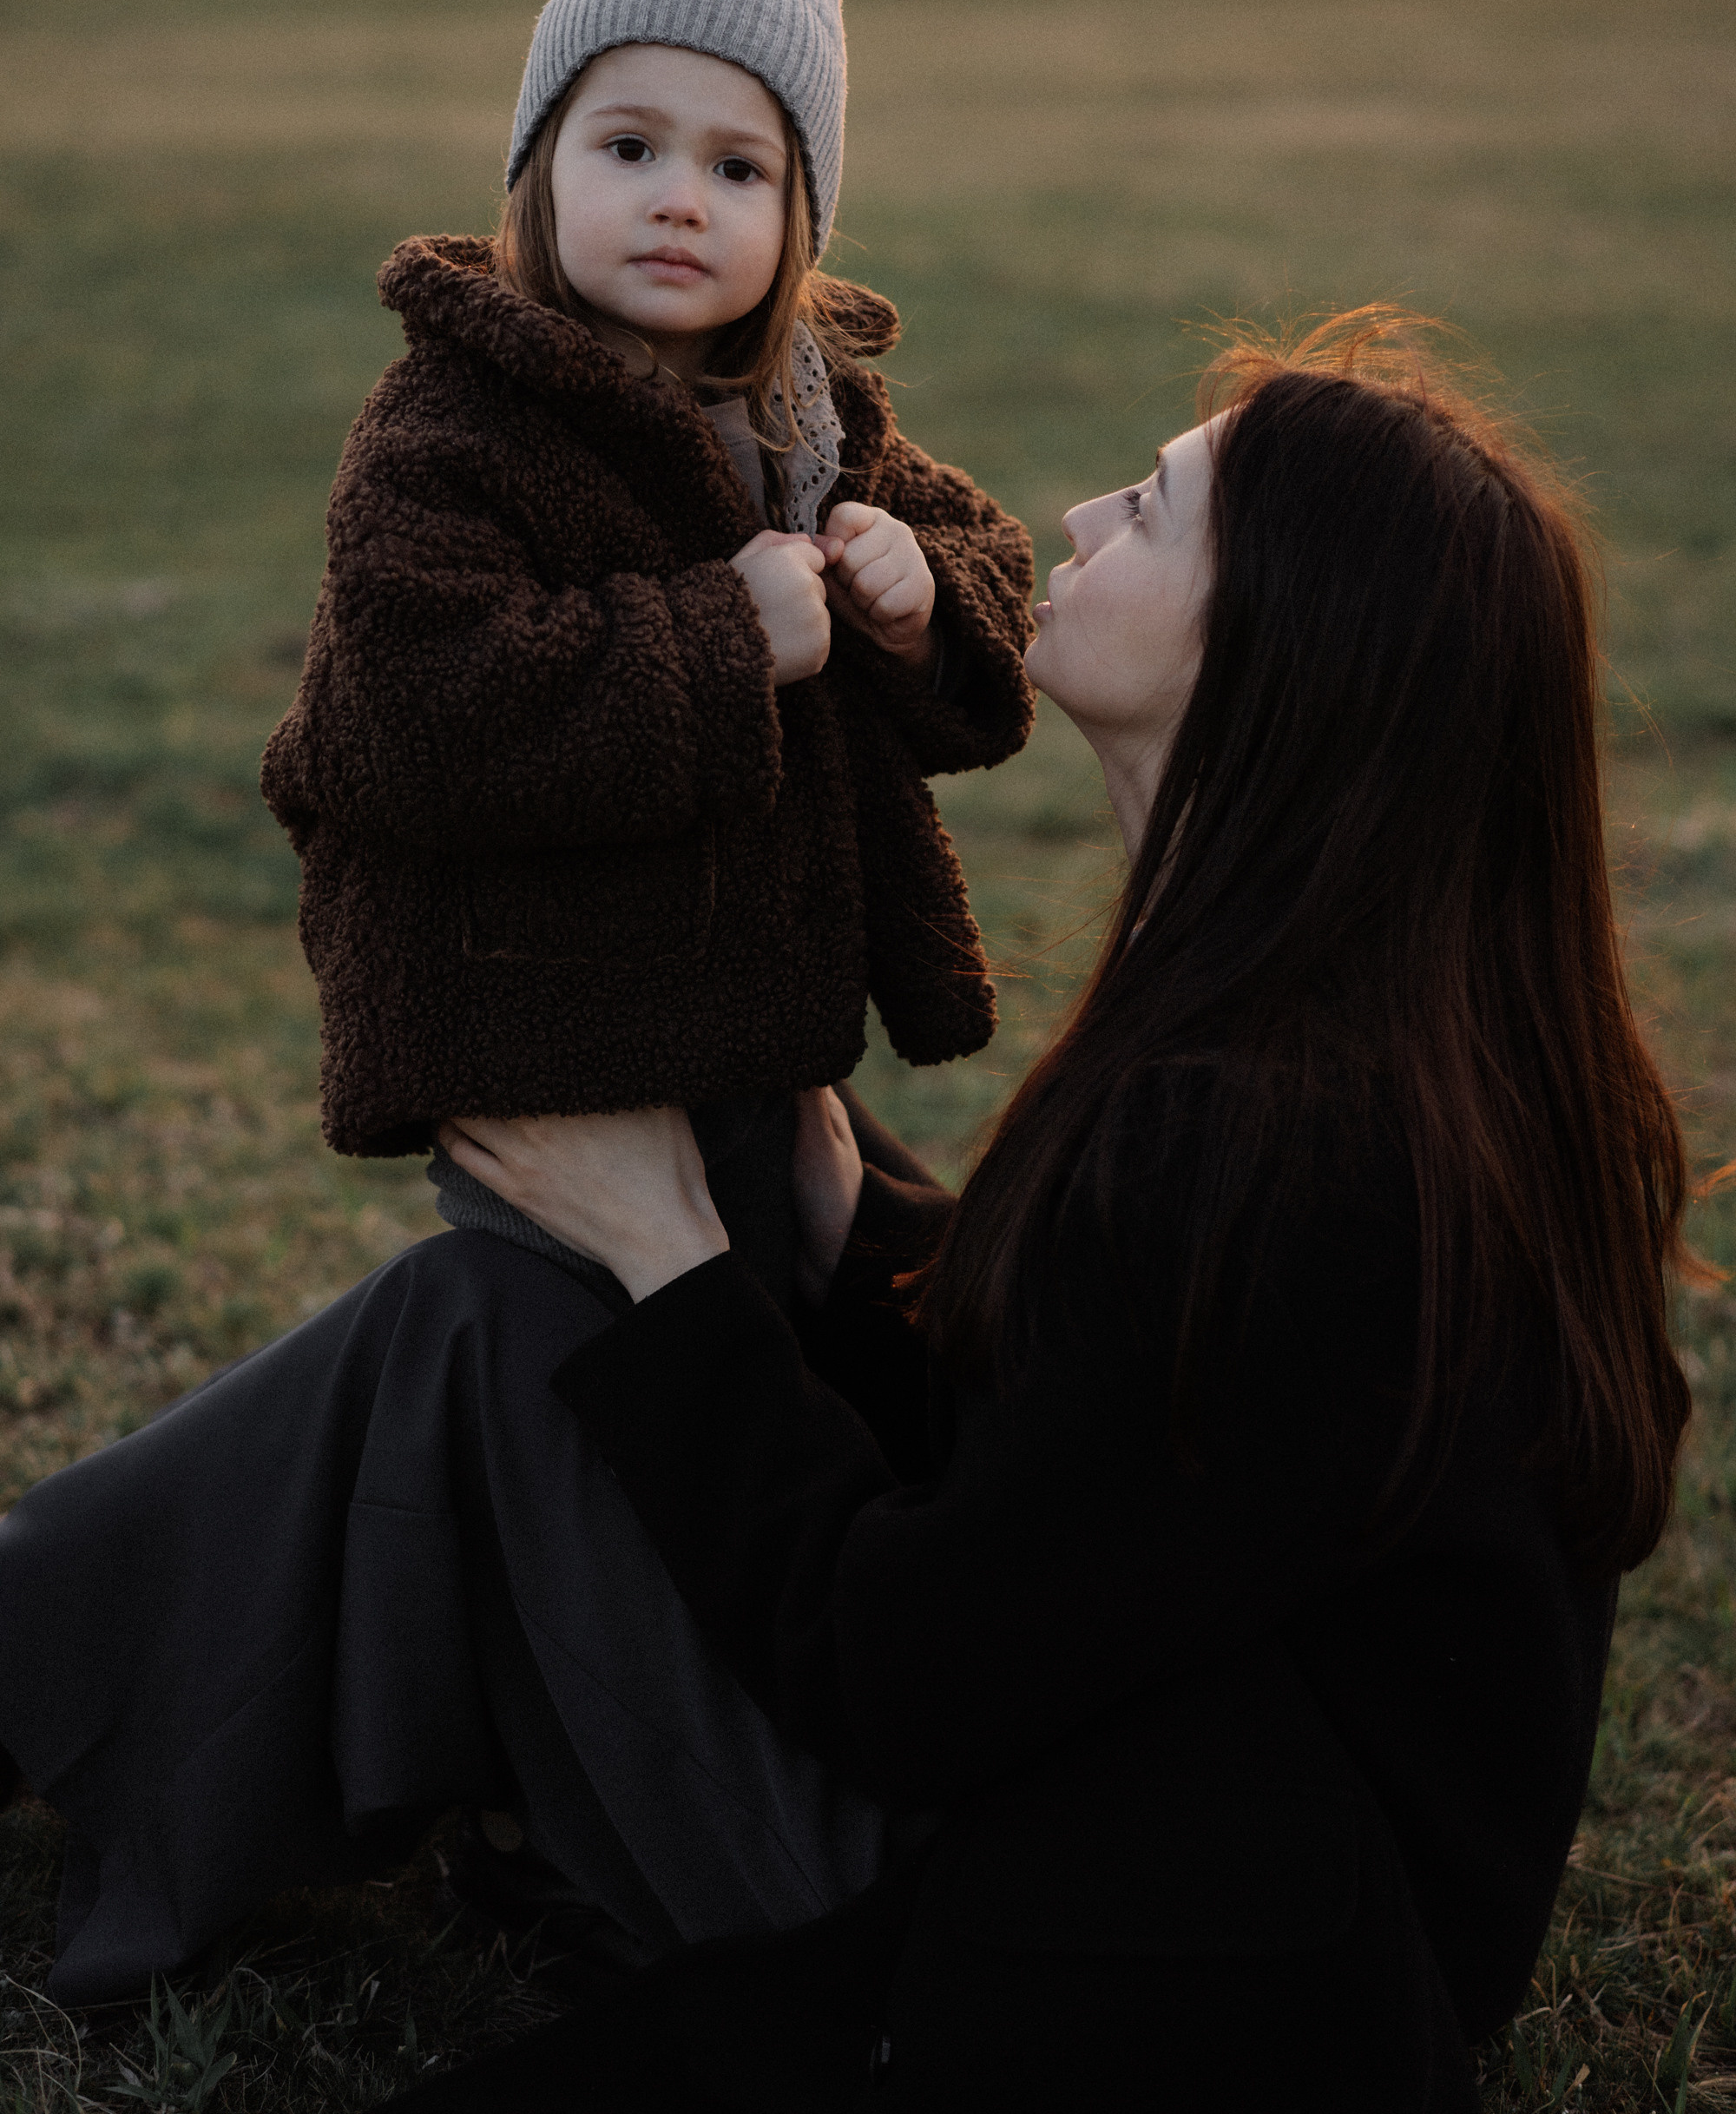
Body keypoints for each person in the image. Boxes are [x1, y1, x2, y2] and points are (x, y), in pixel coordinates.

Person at [380, 314, 1697, 2112]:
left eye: (1150, 510)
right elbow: (1143, 1471)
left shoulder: (1280, 1153)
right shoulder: (1375, 1054)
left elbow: (909, 1673)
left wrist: (669, 1260)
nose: (1076, 516)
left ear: (1277, 648)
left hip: (1156, 1943)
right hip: (1221, 1845)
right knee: (485, 1313)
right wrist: (861, 1226)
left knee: (505, 1320)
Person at [0, 0, 1033, 2006]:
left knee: (655, 1372)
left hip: (750, 1040)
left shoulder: (813, 417)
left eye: (740, 167)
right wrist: (716, 639)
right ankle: (543, 1745)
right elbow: (410, 707)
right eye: (627, 146)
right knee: (559, 1360)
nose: (679, 200)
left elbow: (984, 553)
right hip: (546, 1036)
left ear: (802, 221)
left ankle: (496, 1725)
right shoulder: (454, 421)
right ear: (537, 168)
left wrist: (916, 592)